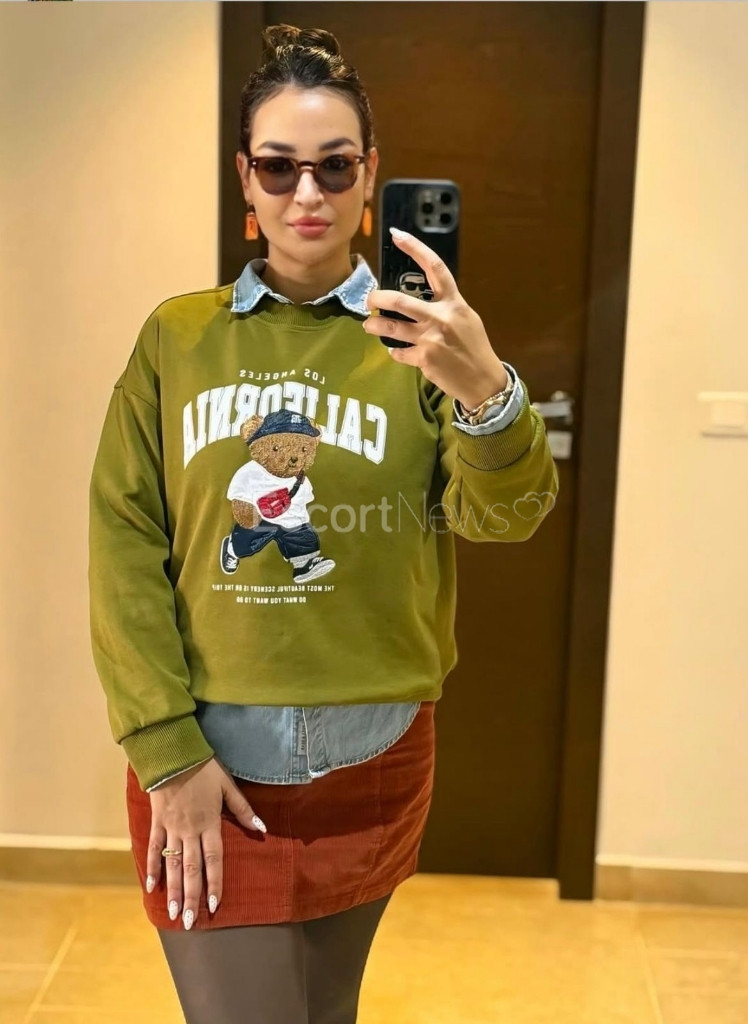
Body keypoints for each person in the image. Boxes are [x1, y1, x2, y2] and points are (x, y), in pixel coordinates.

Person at [87, 22, 559, 1024]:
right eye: (280, 166)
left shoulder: (420, 345)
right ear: (246, 180)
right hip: (209, 762)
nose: (308, 193)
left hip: (375, 754)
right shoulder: (178, 338)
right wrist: (167, 751)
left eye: (334, 166)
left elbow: (505, 516)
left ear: (369, 175)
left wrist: (486, 392)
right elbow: (124, 542)